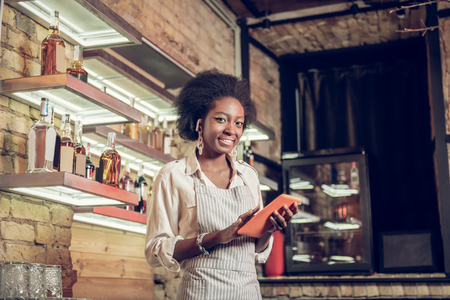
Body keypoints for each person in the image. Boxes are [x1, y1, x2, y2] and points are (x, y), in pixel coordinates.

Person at [145, 69, 299, 300]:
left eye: (239, 123)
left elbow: (254, 250)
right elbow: (155, 250)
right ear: (199, 123)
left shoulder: (248, 176)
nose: (231, 130)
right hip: (200, 292)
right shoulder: (174, 175)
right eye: (221, 119)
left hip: (247, 291)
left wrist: (268, 229)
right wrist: (217, 237)